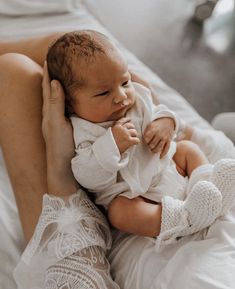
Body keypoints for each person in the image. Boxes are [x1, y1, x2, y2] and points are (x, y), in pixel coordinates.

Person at [46, 30, 235, 248]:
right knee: (119, 213)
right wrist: (112, 145)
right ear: (71, 104)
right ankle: (184, 219)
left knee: (187, 149)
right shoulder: (84, 130)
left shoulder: (138, 97)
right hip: (139, 196)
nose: (121, 96)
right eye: (103, 93)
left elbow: (162, 111)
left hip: (169, 166)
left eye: (124, 82)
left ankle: (209, 189)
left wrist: (166, 123)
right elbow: (87, 175)